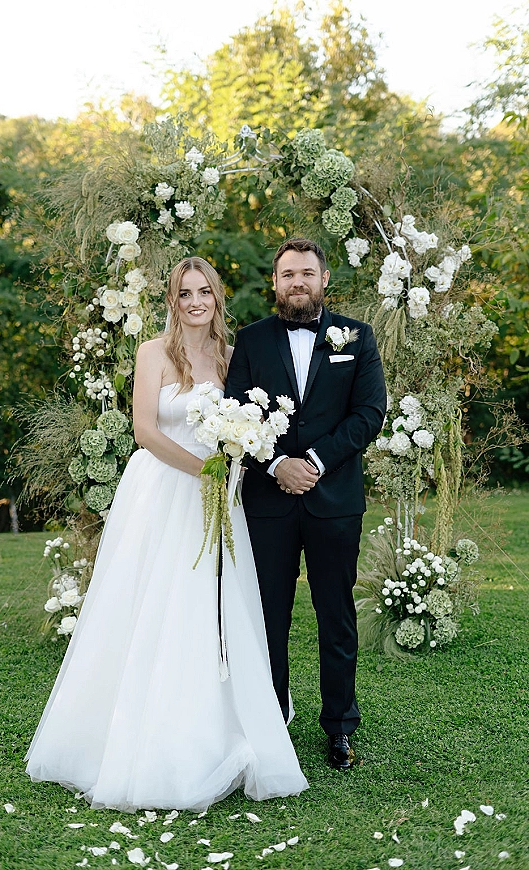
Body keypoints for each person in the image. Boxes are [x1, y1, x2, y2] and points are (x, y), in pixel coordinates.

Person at [25, 256, 308, 811]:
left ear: (218, 298)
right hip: (162, 491)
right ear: (172, 301)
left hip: (218, 496)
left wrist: (231, 460)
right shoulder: (151, 353)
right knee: (155, 605)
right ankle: (136, 737)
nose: (196, 301)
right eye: (185, 293)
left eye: (205, 291)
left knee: (214, 608)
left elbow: (244, 426)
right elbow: (145, 430)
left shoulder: (231, 358)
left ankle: (217, 732)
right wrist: (200, 468)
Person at [225, 238, 387, 770]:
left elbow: (368, 413)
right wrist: (274, 466)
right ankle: (270, 721)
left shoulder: (356, 337)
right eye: (288, 274)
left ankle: (340, 728)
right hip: (268, 502)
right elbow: (232, 418)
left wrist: (313, 461)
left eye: (307, 273)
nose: (297, 282)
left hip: (334, 499)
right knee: (268, 616)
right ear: (274, 283)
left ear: (323, 280)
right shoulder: (249, 341)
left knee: (335, 616)